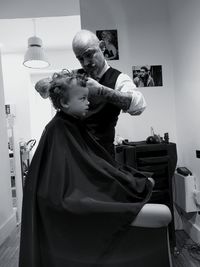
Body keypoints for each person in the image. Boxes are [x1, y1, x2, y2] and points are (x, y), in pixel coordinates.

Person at [19, 70, 154, 267]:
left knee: (136, 181)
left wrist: (128, 179)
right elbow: (70, 182)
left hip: (73, 188)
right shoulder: (58, 129)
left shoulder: (71, 124)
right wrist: (131, 184)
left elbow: (91, 165)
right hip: (61, 198)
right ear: (65, 103)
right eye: (83, 98)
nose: (88, 103)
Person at [72, 29, 146, 157]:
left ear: (102, 47)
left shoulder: (119, 79)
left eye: (89, 55)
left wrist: (101, 90)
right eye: (80, 59)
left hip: (103, 159)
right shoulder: (75, 77)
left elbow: (139, 106)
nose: (85, 63)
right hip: (76, 157)